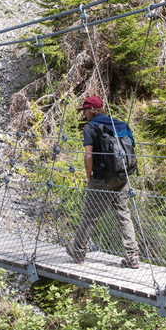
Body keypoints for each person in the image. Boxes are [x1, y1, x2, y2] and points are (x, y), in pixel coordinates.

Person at [65, 95, 141, 268]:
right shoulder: (120, 124)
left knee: (90, 216)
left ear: (92, 110)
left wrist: (89, 176)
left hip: (102, 178)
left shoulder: (90, 128)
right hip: (122, 176)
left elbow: (88, 155)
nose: (83, 114)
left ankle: (78, 252)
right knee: (123, 213)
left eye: (84, 110)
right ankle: (133, 255)